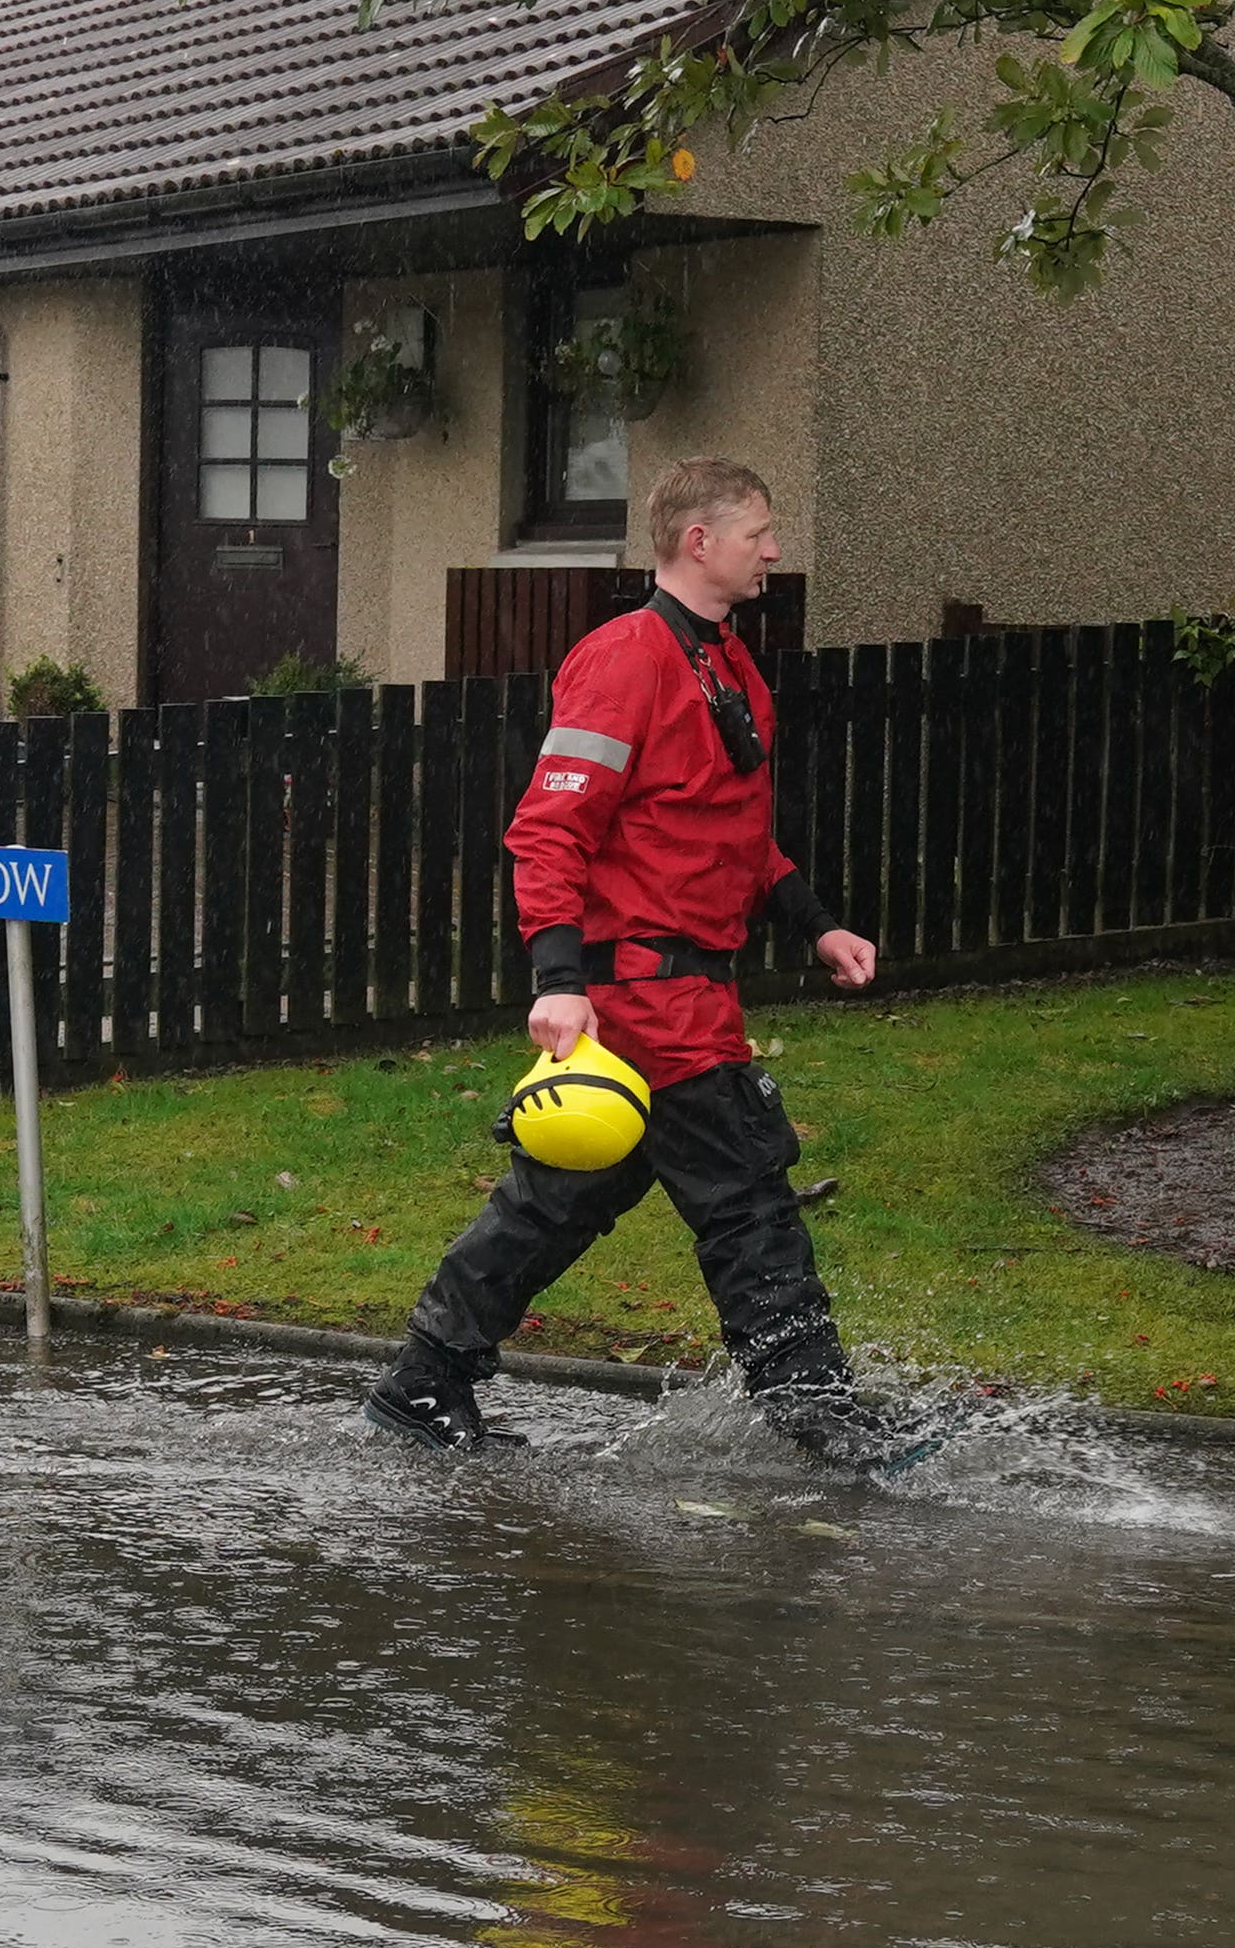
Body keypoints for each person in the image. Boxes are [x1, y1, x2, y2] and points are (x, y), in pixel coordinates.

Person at [365, 455, 895, 1463]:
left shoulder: (726, 664)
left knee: (553, 1206)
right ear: (700, 542)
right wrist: (560, 982)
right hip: (645, 1000)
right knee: (746, 1196)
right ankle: (817, 1406)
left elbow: (731, 837)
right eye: (758, 533)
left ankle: (425, 1380)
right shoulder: (626, 660)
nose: (775, 550)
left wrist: (816, 922)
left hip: (688, 990)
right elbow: (548, 831)